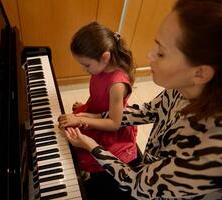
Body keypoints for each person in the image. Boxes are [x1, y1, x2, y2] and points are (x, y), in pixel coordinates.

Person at [62, 0, 222, 199]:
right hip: (152, 167)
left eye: (161, 52)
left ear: (200, 73)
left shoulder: (208, 148)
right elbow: (149, 111)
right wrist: (93, 116)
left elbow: (139, 186)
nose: (149, 55)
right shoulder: (184, 88)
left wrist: (90, 145)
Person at [58, 21, 137, 199]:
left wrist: (81, 119)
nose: (84, 69)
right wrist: (86, 107)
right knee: (66, 129)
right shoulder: (99, 70)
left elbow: (115, 123)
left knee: (77, 143)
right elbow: (98, 95)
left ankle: (87, 173)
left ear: (105, 57)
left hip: (110, 126)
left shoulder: (117, 84)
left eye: (86, 65)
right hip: (97, 113)